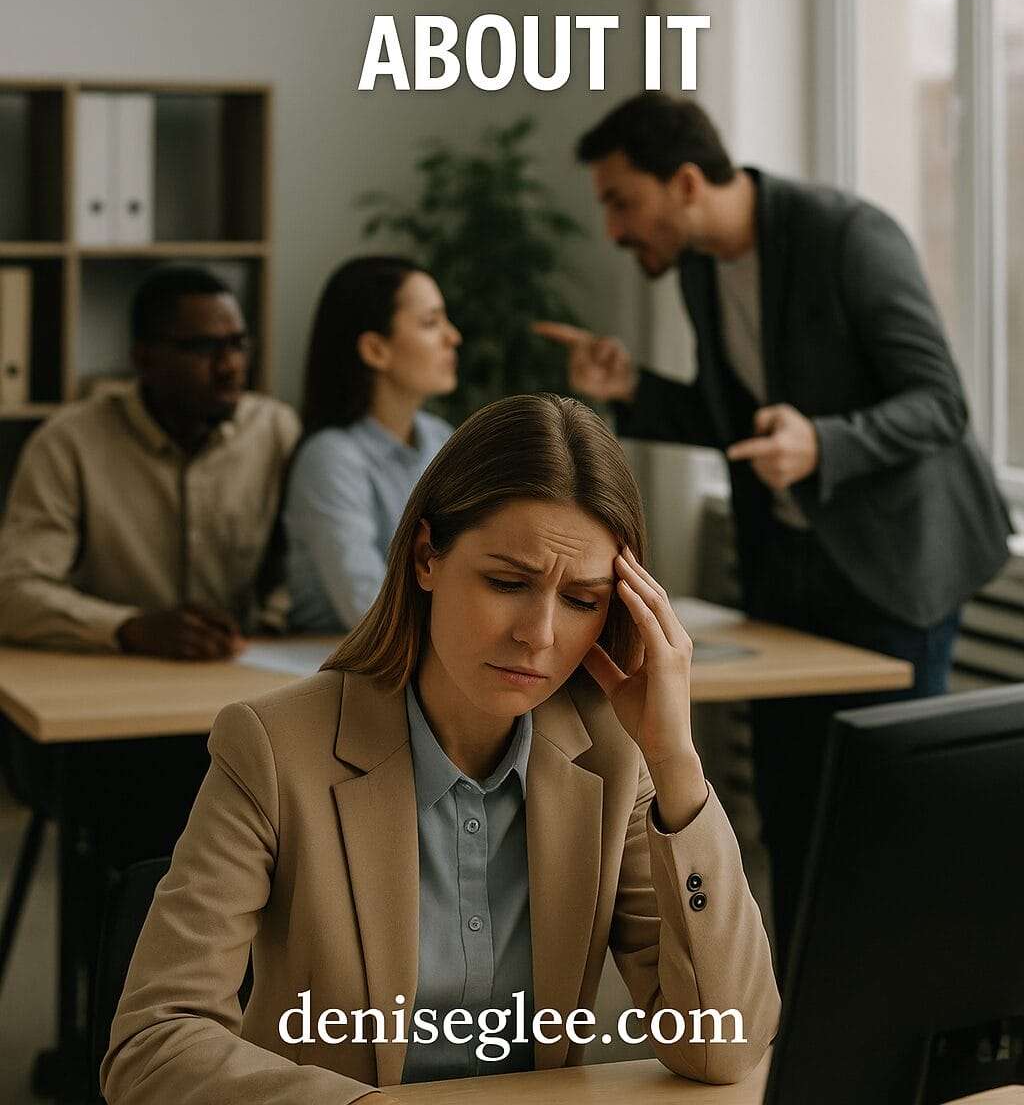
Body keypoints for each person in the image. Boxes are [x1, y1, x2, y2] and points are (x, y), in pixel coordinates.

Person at [102, 394, 779, 1103]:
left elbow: (725, 1047)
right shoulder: (273, 749)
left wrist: (675, 762)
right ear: (428, 556)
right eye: (507, 583)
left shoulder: (611, 759)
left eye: (582, 600)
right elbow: (153, 1041)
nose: (539, 634)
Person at [536, 94, 1012, 977]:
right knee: (790, 819)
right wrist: (633, 391)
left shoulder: (848, 236)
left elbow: (942, 403)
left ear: (685, 183)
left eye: (620, 200)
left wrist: (826, 442)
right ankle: (798, 1037)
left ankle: (897, 1026)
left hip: (895, 571)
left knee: (884, 828)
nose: (612, 228)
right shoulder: (699, 268)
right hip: (791, 578)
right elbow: (742, 426)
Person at [0, 264, 299, 655]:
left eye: (238, 345)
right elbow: (13, 592)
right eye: (203, 348)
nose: (230, 367)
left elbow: (298, 570)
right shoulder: (67, 443)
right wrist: (128, 627)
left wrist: (273, 622)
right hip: (112, 676)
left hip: (243, 671)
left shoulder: (275, 430)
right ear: (144, 359)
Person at [285, 256, 461, 632]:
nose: (452, 337)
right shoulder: (331, 457)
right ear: (375, 350)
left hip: (430, 655)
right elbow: (367, 608)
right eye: (431, 323)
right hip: (332, 663)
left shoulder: (442, 438)